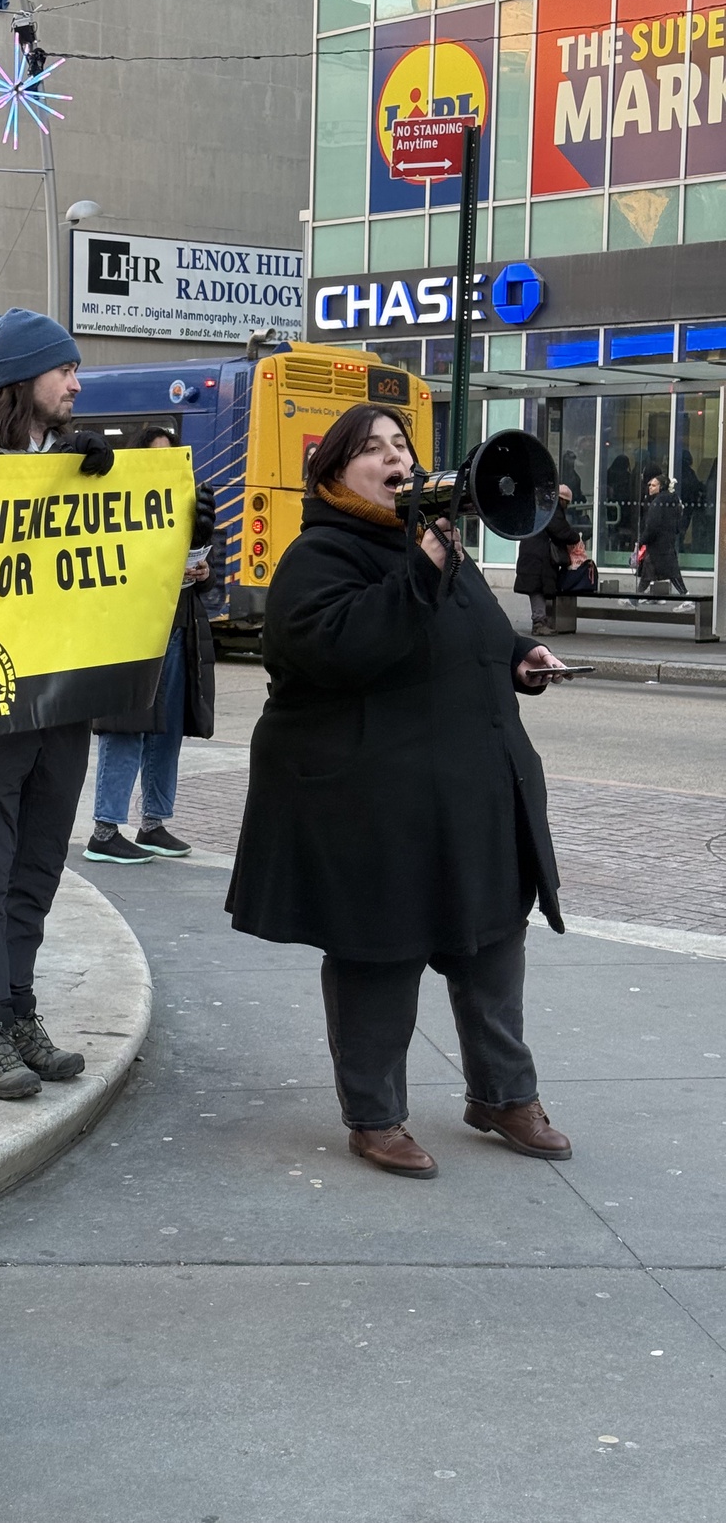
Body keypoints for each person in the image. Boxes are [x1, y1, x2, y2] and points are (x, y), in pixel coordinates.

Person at [227, 401, 573, 1180]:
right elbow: (346, 648)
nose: (397, 457)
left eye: (401, 444)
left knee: (491, 949)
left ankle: (503, 1096)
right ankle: (375, 1117)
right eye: (373, 448)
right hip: (377, 808)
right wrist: (422, 565)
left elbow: (473, 633)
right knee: (378, 960)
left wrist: (522, 654)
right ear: (334, 473)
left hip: (471, 797)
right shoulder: (320, 555)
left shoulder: (436, 548)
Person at [0, 308, 116, 1100]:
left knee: (38, 862)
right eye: (63, 369)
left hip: (62, 700)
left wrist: (171, 525)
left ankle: (21, 1007)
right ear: (21, 380)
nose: (77, 383)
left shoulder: (77, 460)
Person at [85, 426, 217, 863]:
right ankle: (105, 828)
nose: (166, 462)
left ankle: (154, 824)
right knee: (127, 727)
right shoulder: (120, 499)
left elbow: (200, 569)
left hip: (179, 627)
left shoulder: (184, 499)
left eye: (172, 454)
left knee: (168, 729)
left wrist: (201, 569)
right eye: (156, 455)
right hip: (135, 632)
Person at [514, 482, 581, 636]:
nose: (567, 506)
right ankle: (539, 623)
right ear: (563, 500)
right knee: (537, 588)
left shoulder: (543, 506)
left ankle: (541, 621)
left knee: (537, 588)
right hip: (538, 556)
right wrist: (577, 537)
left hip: (533, 553)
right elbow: (561, 531)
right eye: (567, 503)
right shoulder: (552, 511)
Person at [636, 474, 691, 604]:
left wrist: (642, 540)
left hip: (659, 543)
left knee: (672, 571)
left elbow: (652, 526)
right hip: (666, 540)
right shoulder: (674, 500)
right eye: (649, 484)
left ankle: (686, 597)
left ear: (661, 487)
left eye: (654, 485)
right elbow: (679, 520)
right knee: (648, 570)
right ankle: (640, 596)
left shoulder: (657, 503)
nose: (650, 487)